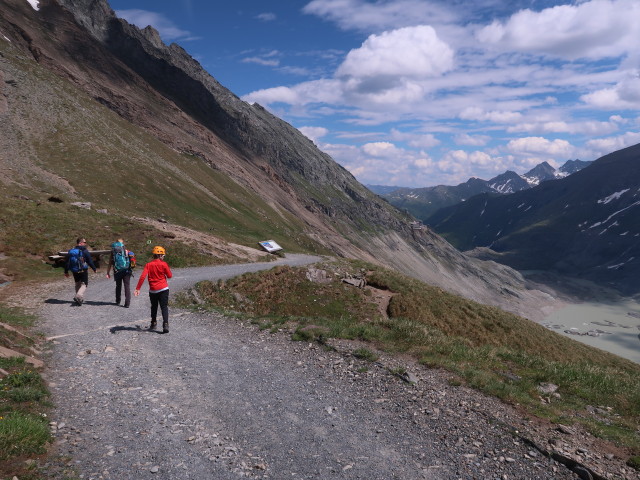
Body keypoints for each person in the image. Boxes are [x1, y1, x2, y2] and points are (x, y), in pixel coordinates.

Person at [134, 246, 173, 333]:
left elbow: (143, 276)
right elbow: (170, 276)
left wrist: (138, 288)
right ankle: (165, 324)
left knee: (154, 307)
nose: (163, 257)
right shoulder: (164, 264)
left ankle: (153, 323)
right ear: (160, 255)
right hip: (163, 288)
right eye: (163, 255)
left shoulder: (148, 265)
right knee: (164, 307)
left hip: (153, 290)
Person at [64, 237, 97, 306]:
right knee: (84, 284)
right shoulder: (84, 251)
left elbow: (67, 262)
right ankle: (79, 295)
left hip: (74, 270)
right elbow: (89, 261)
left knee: (77, 283)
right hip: (83, 269)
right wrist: (94, 268)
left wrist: (66, 271)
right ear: (80, 243)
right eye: (84, 242)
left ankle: (78, 299)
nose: (85, 244)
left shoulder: (71, 251)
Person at [106, 238, 135, 308]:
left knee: (118, 286)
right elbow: (132, 262)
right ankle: (127, 303)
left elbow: (110, 263)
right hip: (126, 271)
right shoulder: (127, 251)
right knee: (127, 286)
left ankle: (118, 300)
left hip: (117, 271)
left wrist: (108, 272)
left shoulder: (113, 252)